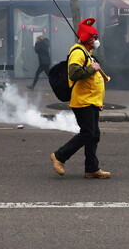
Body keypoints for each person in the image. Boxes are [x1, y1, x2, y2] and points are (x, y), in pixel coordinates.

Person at [50, 18, 111, 179]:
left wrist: (98, 101)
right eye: (94, 38)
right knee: (87, 133)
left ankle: (91, 169)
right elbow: (74, 74)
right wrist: (91, 68)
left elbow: (93, 82)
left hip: (91, 101)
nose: (96, 40)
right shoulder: (78, 52)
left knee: (94, 135)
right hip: (82, 102)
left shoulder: (87, 53)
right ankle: (59, 156)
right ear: (87, 39)